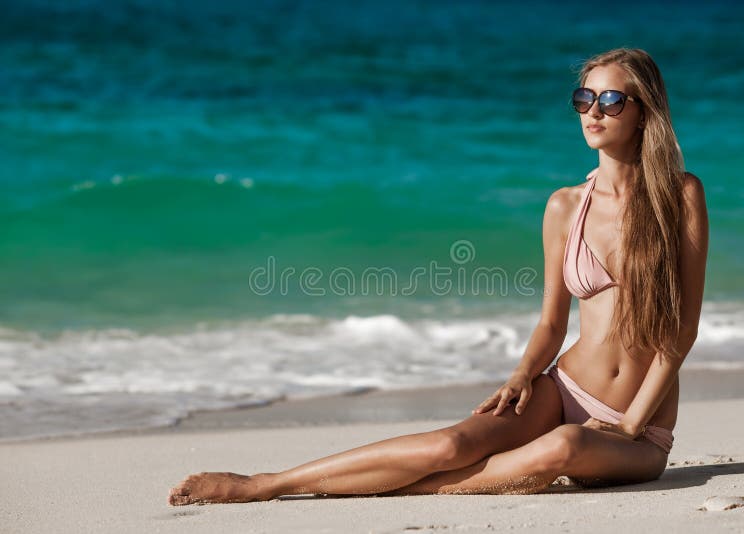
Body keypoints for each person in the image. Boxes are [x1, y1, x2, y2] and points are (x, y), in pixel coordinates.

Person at [168, 47, 708, 505]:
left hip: (639, 426)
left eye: (610, 100)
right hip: (563, 389)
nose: (593, 112)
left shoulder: (680, 196)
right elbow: (550, 322)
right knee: (448, 445)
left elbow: (680, 332)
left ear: (644, 110)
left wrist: (631, 425)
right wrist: (522, 376)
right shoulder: (566, 207)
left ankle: (417, 490)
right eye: (583, 99)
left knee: (564, 448)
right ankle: (268, 483)